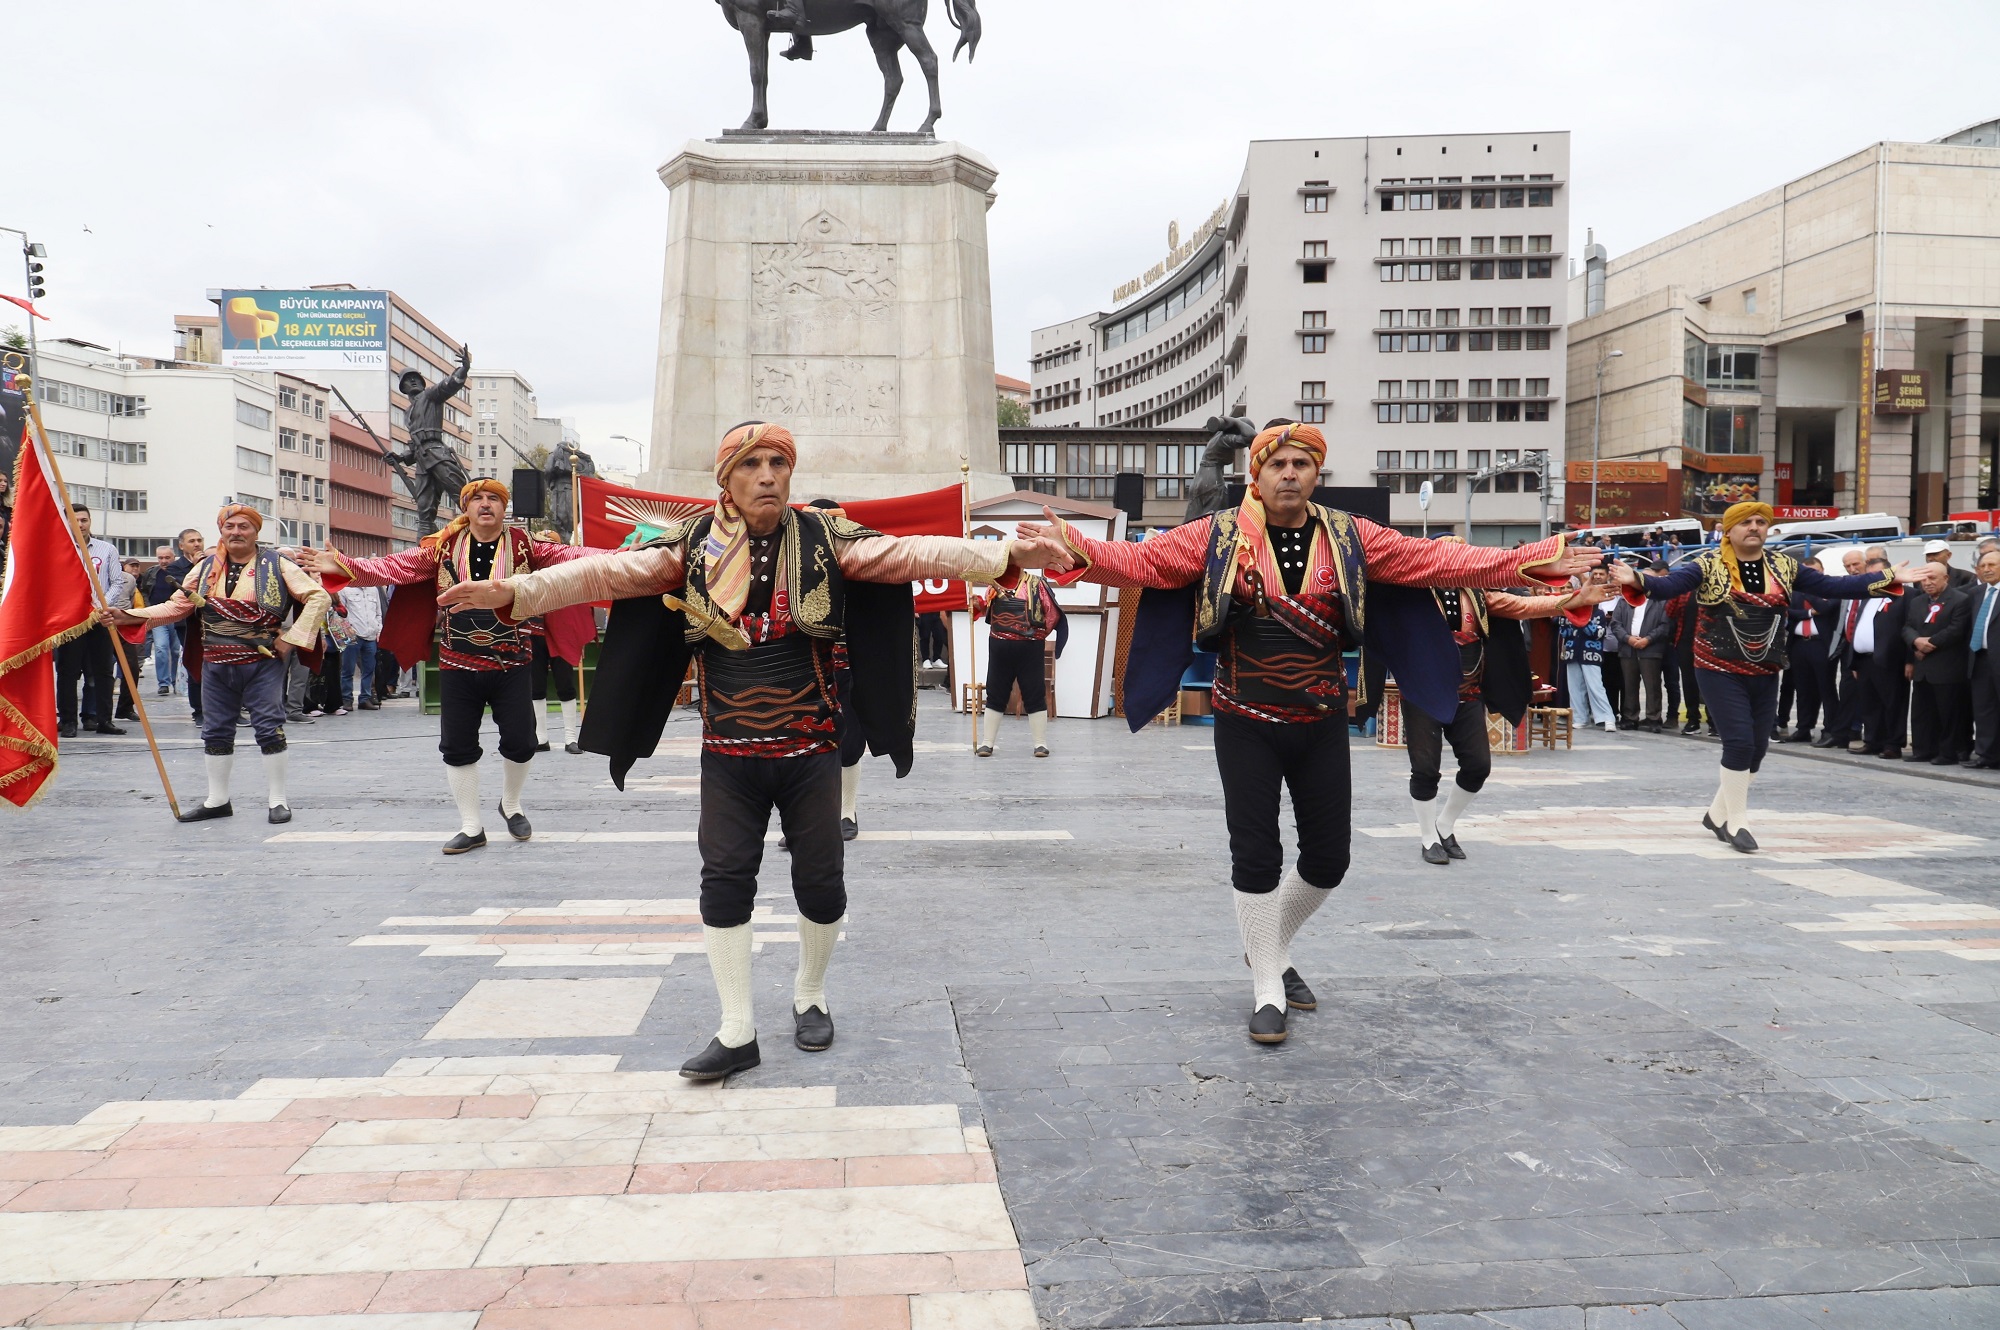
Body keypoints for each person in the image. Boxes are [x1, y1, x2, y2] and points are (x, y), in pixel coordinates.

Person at [438, 422, 1057, 1080]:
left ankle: (811, 995)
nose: (768, 475)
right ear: (725, 479)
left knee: (821, 882)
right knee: (725, 881)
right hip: (728, 753)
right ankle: (737, 1029)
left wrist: (1004, 554)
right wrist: (518, 592)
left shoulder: (828, 539)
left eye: (779, 463)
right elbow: (610, 573)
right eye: (753, 464)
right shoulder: (691, 542)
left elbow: (913, 555)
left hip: (809, 749)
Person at [1014, 422, 1602, 1043]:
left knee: (1329, 859)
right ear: (1255, 474)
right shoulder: (1214, 536)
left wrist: (1525, 559)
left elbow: (1439, 558)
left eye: (1302, 463)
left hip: (1322, 719)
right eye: (1278, 464)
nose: (1289, 473)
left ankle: (1269, 945)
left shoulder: (1352, 536)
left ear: (1316, 474)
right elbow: (1139, 561)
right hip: (1243, 718)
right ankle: (1268, 983)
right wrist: (1071, 544)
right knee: (1257, 854)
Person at [296, 479, 598, 855]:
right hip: (458, 663)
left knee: (522, 744)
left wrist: (624, 555)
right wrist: (343, 565)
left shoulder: (527, 545)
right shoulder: (441, 548)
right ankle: (471, 826)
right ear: (466, 508)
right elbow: (392, 567)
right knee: (457, 746)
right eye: (477, 499)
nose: (485, 505)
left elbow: (575, 557)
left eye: (493, 499)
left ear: (504, 509)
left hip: (513, 662)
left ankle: (511, 804)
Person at [1607, 502, 1908, 853]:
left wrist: (1886, 577)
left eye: (1761, 522)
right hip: (1717, 666)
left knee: (1758, 749)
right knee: (1739, 742)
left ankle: (1716, 813)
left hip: (1765, 667)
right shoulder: (1707, 564)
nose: (1754, 527)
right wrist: (1638, 579)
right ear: (1729, 530)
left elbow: (1834, 585)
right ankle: (1738, 824)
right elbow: (1671, 585)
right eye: (1746, 522)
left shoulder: (1783, 565)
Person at [106, 505, 330, 822]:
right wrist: (127, 616)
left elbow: (319, 597)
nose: (236, 532)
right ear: (222, 531)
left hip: (261, 663)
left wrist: (291, 639)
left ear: (256, 531)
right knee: (215, 732)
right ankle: (217, 800)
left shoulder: (278, 564)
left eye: (244, 527)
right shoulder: (205, 568)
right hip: (215, 662)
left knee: (268, 729)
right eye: (230, 527)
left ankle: (278, 800)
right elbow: (175, 607)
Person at [1407, 548, 1612, 865]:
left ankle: (1445, 825)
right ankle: (1427, 836)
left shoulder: (1478, 596)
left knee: (1478, 766)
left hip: (1467, 692)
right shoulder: (1411, 593)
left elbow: (1523, 606)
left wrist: (1575, 599)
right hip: (1423, 692)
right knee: (1425, 768)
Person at [55, 505, 134, 738]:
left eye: (84, 520)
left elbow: (117, 582)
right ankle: (68, 720)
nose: (80, 524)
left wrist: (100, 606)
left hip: (100, 619)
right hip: (71, 620)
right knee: (68, 672)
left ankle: (104, 720)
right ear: (67, 522)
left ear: (90, 521)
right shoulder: (60, 549)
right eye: (75, 520)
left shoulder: (106, 549)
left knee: (102, 671)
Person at [972, 571, 1065, 758]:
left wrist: (1035, 634)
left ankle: (1040, 744)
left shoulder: (1037, 584)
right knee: (995, 692)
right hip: (999, 646)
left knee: (1034, 692)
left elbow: (1052, 614)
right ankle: (987, 743)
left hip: (1029, 647)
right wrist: (978, 605)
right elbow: (988, 611)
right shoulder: (994, 583)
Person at [390, 345, 472, 536]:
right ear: (403, 388)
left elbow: (449, 384)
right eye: (408, 380)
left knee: (463, 496)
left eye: (416, 378)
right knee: (424, 512)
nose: (413, 381)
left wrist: (464, 369)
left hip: (437, 453)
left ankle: (481, 537)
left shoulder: (430, 396)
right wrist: (400, 457)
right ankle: (424, 554)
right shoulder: (408, 412)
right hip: (422, 462)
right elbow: (414, 443)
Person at [1904, 559, 1973, 767]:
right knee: (1922, 712)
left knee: (1948, 713)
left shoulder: (1960, 600)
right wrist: (1915, 641)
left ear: (1946, 578)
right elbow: (1907, 626)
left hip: (1947, 666)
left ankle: (1948, 752)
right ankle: (1923, 749)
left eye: (1932, 578)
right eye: (1924, 579)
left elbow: (1956, 629)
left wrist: (1929, 644)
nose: (1927, 582)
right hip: (1922, 668)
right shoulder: (1917, 601)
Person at [1608, 561, 1671, 732]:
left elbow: (1664, 625)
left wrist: (1647, 640)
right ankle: (1630, 717)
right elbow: (1616, 624)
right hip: (1628, 648)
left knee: (1653, 686)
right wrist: (1628, 638)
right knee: (1629, 685)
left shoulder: (1661, 601)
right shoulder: (1624, 601)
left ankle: (1653, 718)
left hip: (1650, 649)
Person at [1558, 593, 1616, 733]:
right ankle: (1579, 718)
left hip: (1591, 654)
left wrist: (1581, 621)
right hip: (1572, 653)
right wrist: (1567, 618)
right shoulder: (1569, 613)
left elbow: (1597, 633)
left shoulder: (1598, 613)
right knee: (1575, 687)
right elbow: (1564, 632)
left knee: (1595, 686)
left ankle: (1607, 718)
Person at [1965, 548, 2000, 769]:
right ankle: (1987, 755)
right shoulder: (1976, 593)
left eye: (1992, 565)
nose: (1986, 570)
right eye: (1983, 566)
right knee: (1984, 709)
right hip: (1980, 659)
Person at [339, 584, 383, 711]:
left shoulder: (373, 589)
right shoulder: (345, 589)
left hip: (371, 635)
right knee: (348, 669)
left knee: (369, 669)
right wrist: (347, 630)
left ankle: (365, 698)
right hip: (353, 635)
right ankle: (347, 699)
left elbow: (378, 613)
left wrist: (378, 630)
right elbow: (340, 612)